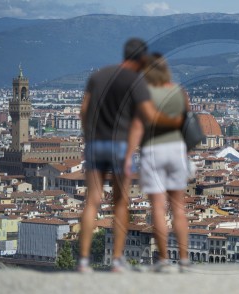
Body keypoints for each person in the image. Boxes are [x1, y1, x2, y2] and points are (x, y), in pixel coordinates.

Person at [78, 39, 182, 273]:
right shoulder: (136, 82)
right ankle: (116, 260)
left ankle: (83, 261)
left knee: (92, 201)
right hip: (119, 146)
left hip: (95, 143)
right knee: (120, 203)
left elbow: (83, 111)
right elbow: (147, 115)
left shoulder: (98, 76)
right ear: (142, 59)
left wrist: (89, 135)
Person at [125, 53, 190, 272]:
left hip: (154, 150)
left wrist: (128, 156)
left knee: (159, 209)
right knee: (178, 209)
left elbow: (136, 127)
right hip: (177, 149)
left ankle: (163, 261)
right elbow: (185, 124)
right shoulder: (179, 92)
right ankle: (184, 260)